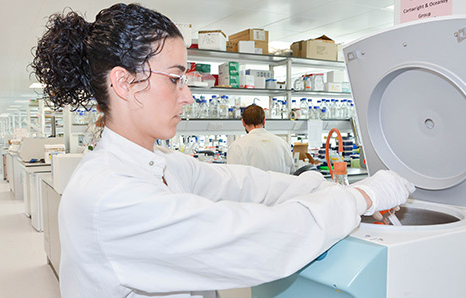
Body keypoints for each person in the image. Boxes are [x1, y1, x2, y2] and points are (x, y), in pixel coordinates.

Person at [31, 3, 415, 298]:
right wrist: (360, 196)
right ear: (125, 82)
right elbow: (254, 240)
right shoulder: (109, 197)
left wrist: (322, 188)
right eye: (176, 79)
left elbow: (246, 184)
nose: (188, 96)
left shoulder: (161, 164)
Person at [227, 104, 295, 174]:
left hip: (251, 185)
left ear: (243, 122)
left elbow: (233, 176)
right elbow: (292, 173)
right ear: (264, 121)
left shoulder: (237, 146)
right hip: (280, 185)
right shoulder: (283, 144)